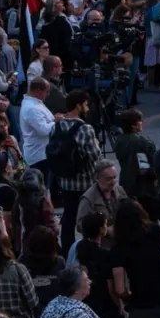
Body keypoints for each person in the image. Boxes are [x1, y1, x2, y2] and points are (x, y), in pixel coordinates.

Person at [51, 90, 103, 255]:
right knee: (89, 219)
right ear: (78, 106)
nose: (87, 108)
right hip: (85, 183)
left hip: (65, 182)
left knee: (69, 217)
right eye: (86, 105)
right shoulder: (85, 128)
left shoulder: (56, 126)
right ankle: (89, 252)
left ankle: (68, 252)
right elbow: (96, 157)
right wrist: (96, 144)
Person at [114, 109, 157, 205]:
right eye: (140, 120)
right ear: (133, 125)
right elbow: (148, 167)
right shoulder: (142, 142)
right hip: (143, 187)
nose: (142, 122)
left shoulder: (119, 141)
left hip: (126, 183)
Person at [18, 77, 57, 180]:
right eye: (46, 92)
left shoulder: (35, 103)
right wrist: (56, 122)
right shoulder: (32, 108)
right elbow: (44, 130)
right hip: (39, 156)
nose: (48, 94)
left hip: (42, 153)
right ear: (39, 91)